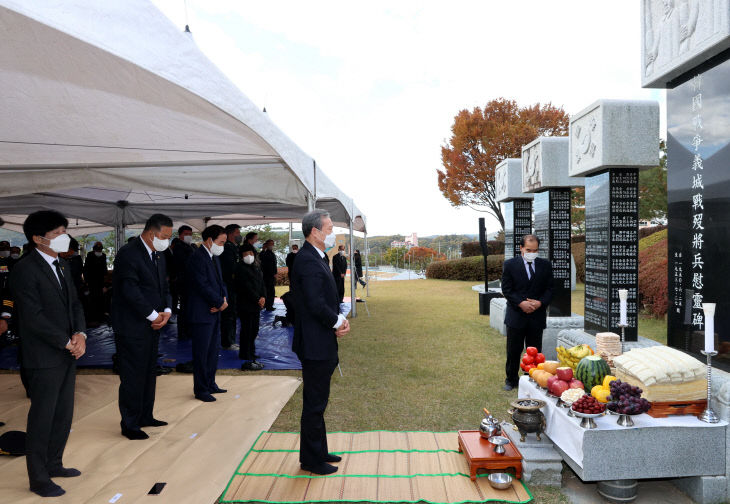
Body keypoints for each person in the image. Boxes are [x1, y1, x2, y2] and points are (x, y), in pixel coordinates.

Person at [10, 210, 86, 497]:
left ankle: (54, 463)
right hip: (44, 356)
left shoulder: (62, 266)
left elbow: (75, 303)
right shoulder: (25, 270)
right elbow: (33, 317)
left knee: (63, 413)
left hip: (68, 352)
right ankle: (38, 478)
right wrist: (66, 341)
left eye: (64, 232)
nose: (63, 238)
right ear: (37, 239)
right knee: (42, 417)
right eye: (56, 234)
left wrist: (81, 334)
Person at [291, 209, 351, 475]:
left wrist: (337, 319)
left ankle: (318, 450)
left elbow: (324, 300)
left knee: (320, 401)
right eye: (328, 229)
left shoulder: (317, 256)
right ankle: (311, 461)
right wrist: (337, 321)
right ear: (314, 232)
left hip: (321, 339)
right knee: (314, 403)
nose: (331, 234)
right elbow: (315, 304)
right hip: (315, 344)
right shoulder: (306, 260)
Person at [112, 214, 173, 440]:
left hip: (153, 324)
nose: (166, 241)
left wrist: (166, 311)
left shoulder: (158, 255)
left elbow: (164, 286)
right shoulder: (128, 254)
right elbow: (130, 290)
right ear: (150, 233)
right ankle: (130, 423)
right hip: (132, 326)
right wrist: (152, 315)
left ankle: (145, 415)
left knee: (149, 372)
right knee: (133, 376)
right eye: (164, 236)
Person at [500, 234, 554, 391]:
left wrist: (540, 303)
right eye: (529, 249)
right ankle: (511, 379)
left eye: (535, 250)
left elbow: (550, 289)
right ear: (521, 248)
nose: (532, 252)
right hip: (516, 315)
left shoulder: (545, 265)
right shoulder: (510, 265)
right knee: (513, 350)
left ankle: (532, 378)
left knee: (535, 350)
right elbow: (507, 289)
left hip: (536, 316)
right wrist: (520, 303)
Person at [186, 225, 228, 401]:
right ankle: (201, 389)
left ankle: (210, 383)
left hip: (215, 311)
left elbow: (220, 282)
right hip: (202, 313)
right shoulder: (197, 257)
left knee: (213, 351)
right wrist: (219, 302)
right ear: (209, 240)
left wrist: (224, 300)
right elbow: (201, 285)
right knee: (202, 353)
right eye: (221, 242)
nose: (223, 245)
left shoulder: (213, 257)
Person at [235, 244, 265, 370]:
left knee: (254, 329)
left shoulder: (256, 267)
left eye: (251, 253)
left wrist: (263, 297)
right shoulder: (240, 268)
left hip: (257, 304)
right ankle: (244, 352)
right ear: (241, 256)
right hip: (246, 303)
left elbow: (262, 284)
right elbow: (245, 287)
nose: (249, 256)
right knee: (247, 329)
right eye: (246, 254)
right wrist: (257, 298)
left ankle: (251, 351)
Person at [170, 225, 195, 339]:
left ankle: (188, 331)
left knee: (189, 308)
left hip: (189, 281)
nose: (188, 236)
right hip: (183, 282)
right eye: (186, 234)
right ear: (180, 235)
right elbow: (185, 264)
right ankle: (183, 333)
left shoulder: (189, 246)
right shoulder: (179, 247)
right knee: (184, 309)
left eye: (190, 234)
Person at [219, 224, 241, 350]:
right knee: (228, 315)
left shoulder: (233, 247)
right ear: (231, 234)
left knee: (232, 314)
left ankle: (231, 339)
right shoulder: (227, 248)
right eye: (237, 232)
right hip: (228, 286)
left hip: (233, 287)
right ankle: (227, 342)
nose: (239, 235)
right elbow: (231, 269)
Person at [84, 241, 107, 325]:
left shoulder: (103, 256)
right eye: (97, 249)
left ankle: (100, 317)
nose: (98, 251)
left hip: (100, 283)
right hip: (91, 282)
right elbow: (86, 270)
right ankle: (93, 318)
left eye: (100, 249)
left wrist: (104, 285)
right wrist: (86, 283)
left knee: (100, 300)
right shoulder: (90, 255)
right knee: (92, 300)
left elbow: (104, 270)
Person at [259, 239, 278, 311]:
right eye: (270, 244)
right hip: (268, 276)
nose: (272, 245)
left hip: (270, 275)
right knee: (269, 291)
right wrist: (273, 274)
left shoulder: (271, 253)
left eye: (272, 244)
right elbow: (267, 266)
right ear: (267, 245)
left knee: (270, 291)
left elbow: (274, 264)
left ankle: (268, 305)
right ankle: (268, 306)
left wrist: (275, 273)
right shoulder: (265, 254)